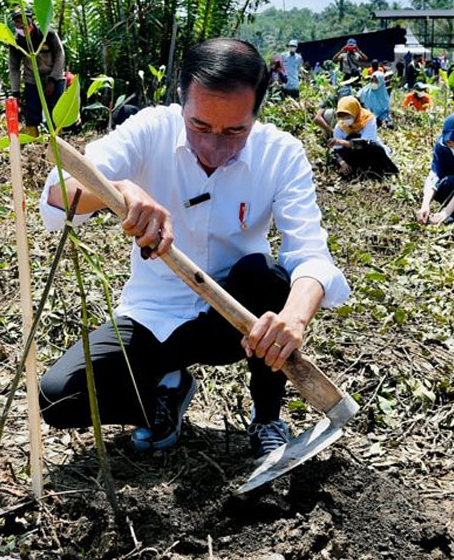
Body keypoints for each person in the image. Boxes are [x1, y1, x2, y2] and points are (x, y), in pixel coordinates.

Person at [37, 38, 348, 458]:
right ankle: (163, 395)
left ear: (258, 111)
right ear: (182, 98)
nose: (213, 148)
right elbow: (59, 193)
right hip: (154, 315)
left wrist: (292, 320)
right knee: (59, 396)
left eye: (235, 130)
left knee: (266, 277)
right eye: (199, 126)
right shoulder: (149, 129)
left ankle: (268, 418)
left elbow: (310, 254)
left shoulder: (282, 154)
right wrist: (120, 192)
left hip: (235, 323)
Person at [8, 8, 65, 136]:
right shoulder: (15, 43)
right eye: (17, 21)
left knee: (56, 112)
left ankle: (57, 139)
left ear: (31, 20)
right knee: (32, 113)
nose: (21, 24)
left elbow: (60, 56)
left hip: (53, 76)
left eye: (23, 19)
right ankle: (33, 140)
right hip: (32, 79)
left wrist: (52, 80)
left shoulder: (47, 34)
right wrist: (15, 93)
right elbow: (14, 68)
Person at [329, 97, 397, 179]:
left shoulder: (368, 119)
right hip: (353, 154)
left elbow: (365, 143)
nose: (345, 119)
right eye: (342, 116)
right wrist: (342, 162)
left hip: (370, 152)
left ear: (354, 111)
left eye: (347, 115)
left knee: (375, 148)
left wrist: (342, 142)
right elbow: (337, 150)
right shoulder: (340, 127)